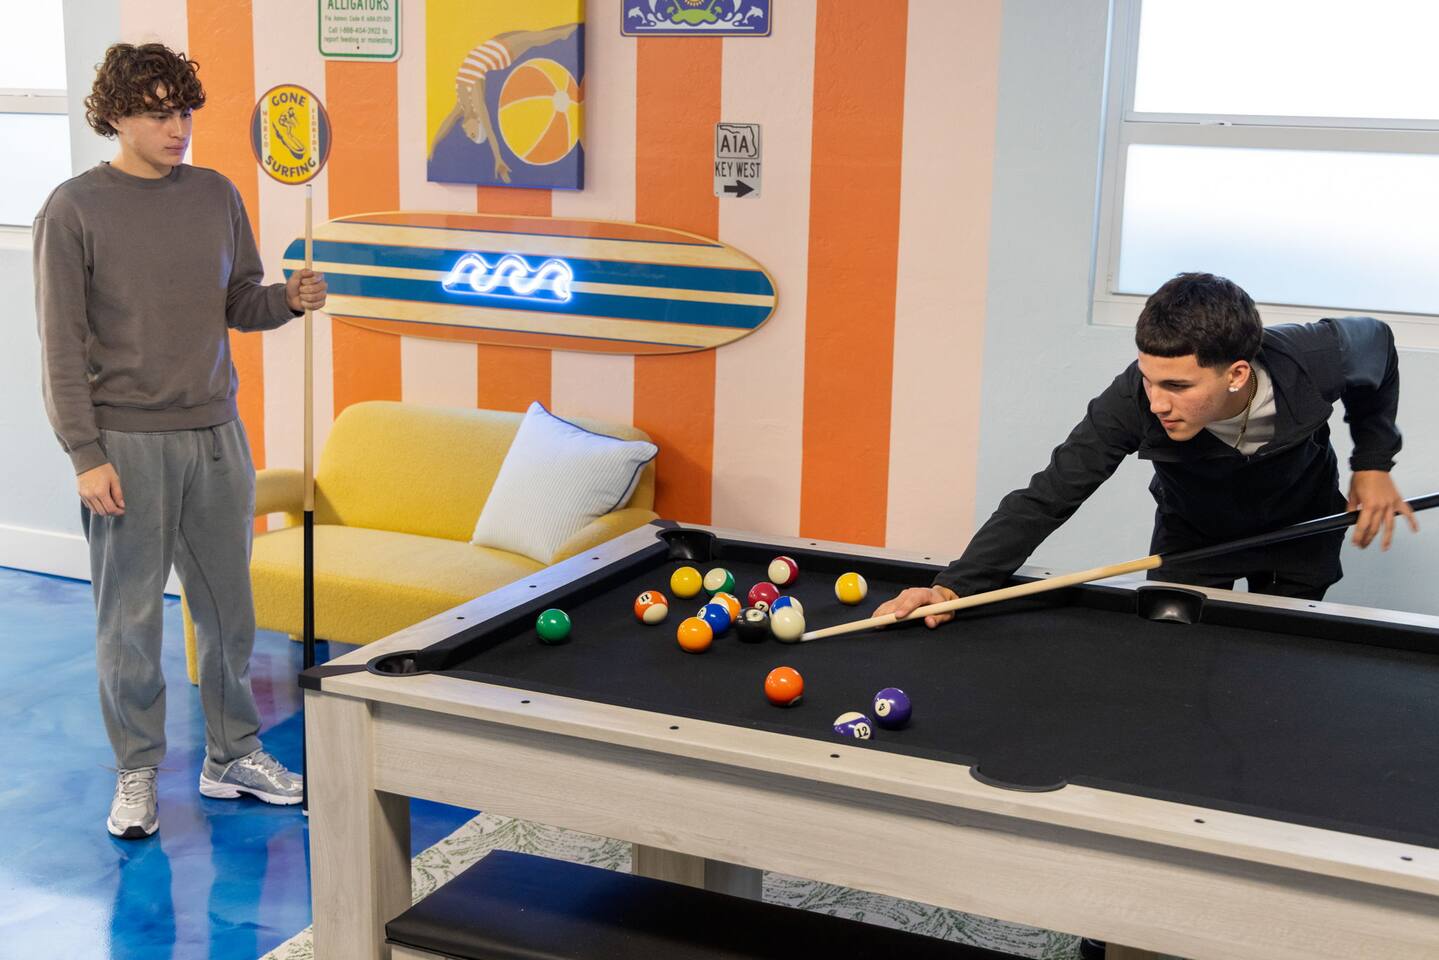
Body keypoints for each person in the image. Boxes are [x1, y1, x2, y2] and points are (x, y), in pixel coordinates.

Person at [34, 42, 328, 839]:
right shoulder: (73, 209)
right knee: (130, 623)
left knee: (229, 612)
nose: (177, 129)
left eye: (185, 112)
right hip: (126, 443)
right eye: (157, 113)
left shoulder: (215, 194)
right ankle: (136, 770)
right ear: (116, 116)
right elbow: (60, 349)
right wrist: (85, 454)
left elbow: (239, 303)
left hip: (217, 436)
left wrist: (288, 298)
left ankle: (233, 754)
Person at [878, 272, 1417, 628]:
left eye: (1178, 386)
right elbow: (1048, 495)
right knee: (1174, 668)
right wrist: (954, 588)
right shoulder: (1132, 402)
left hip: (1301, 530)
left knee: (1276, 666)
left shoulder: (1316, 356)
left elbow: (1380, 346)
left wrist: (1373, 464)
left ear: (1236, 374)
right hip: (1194, 539)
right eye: (1149, 378)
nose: (1157, 402)